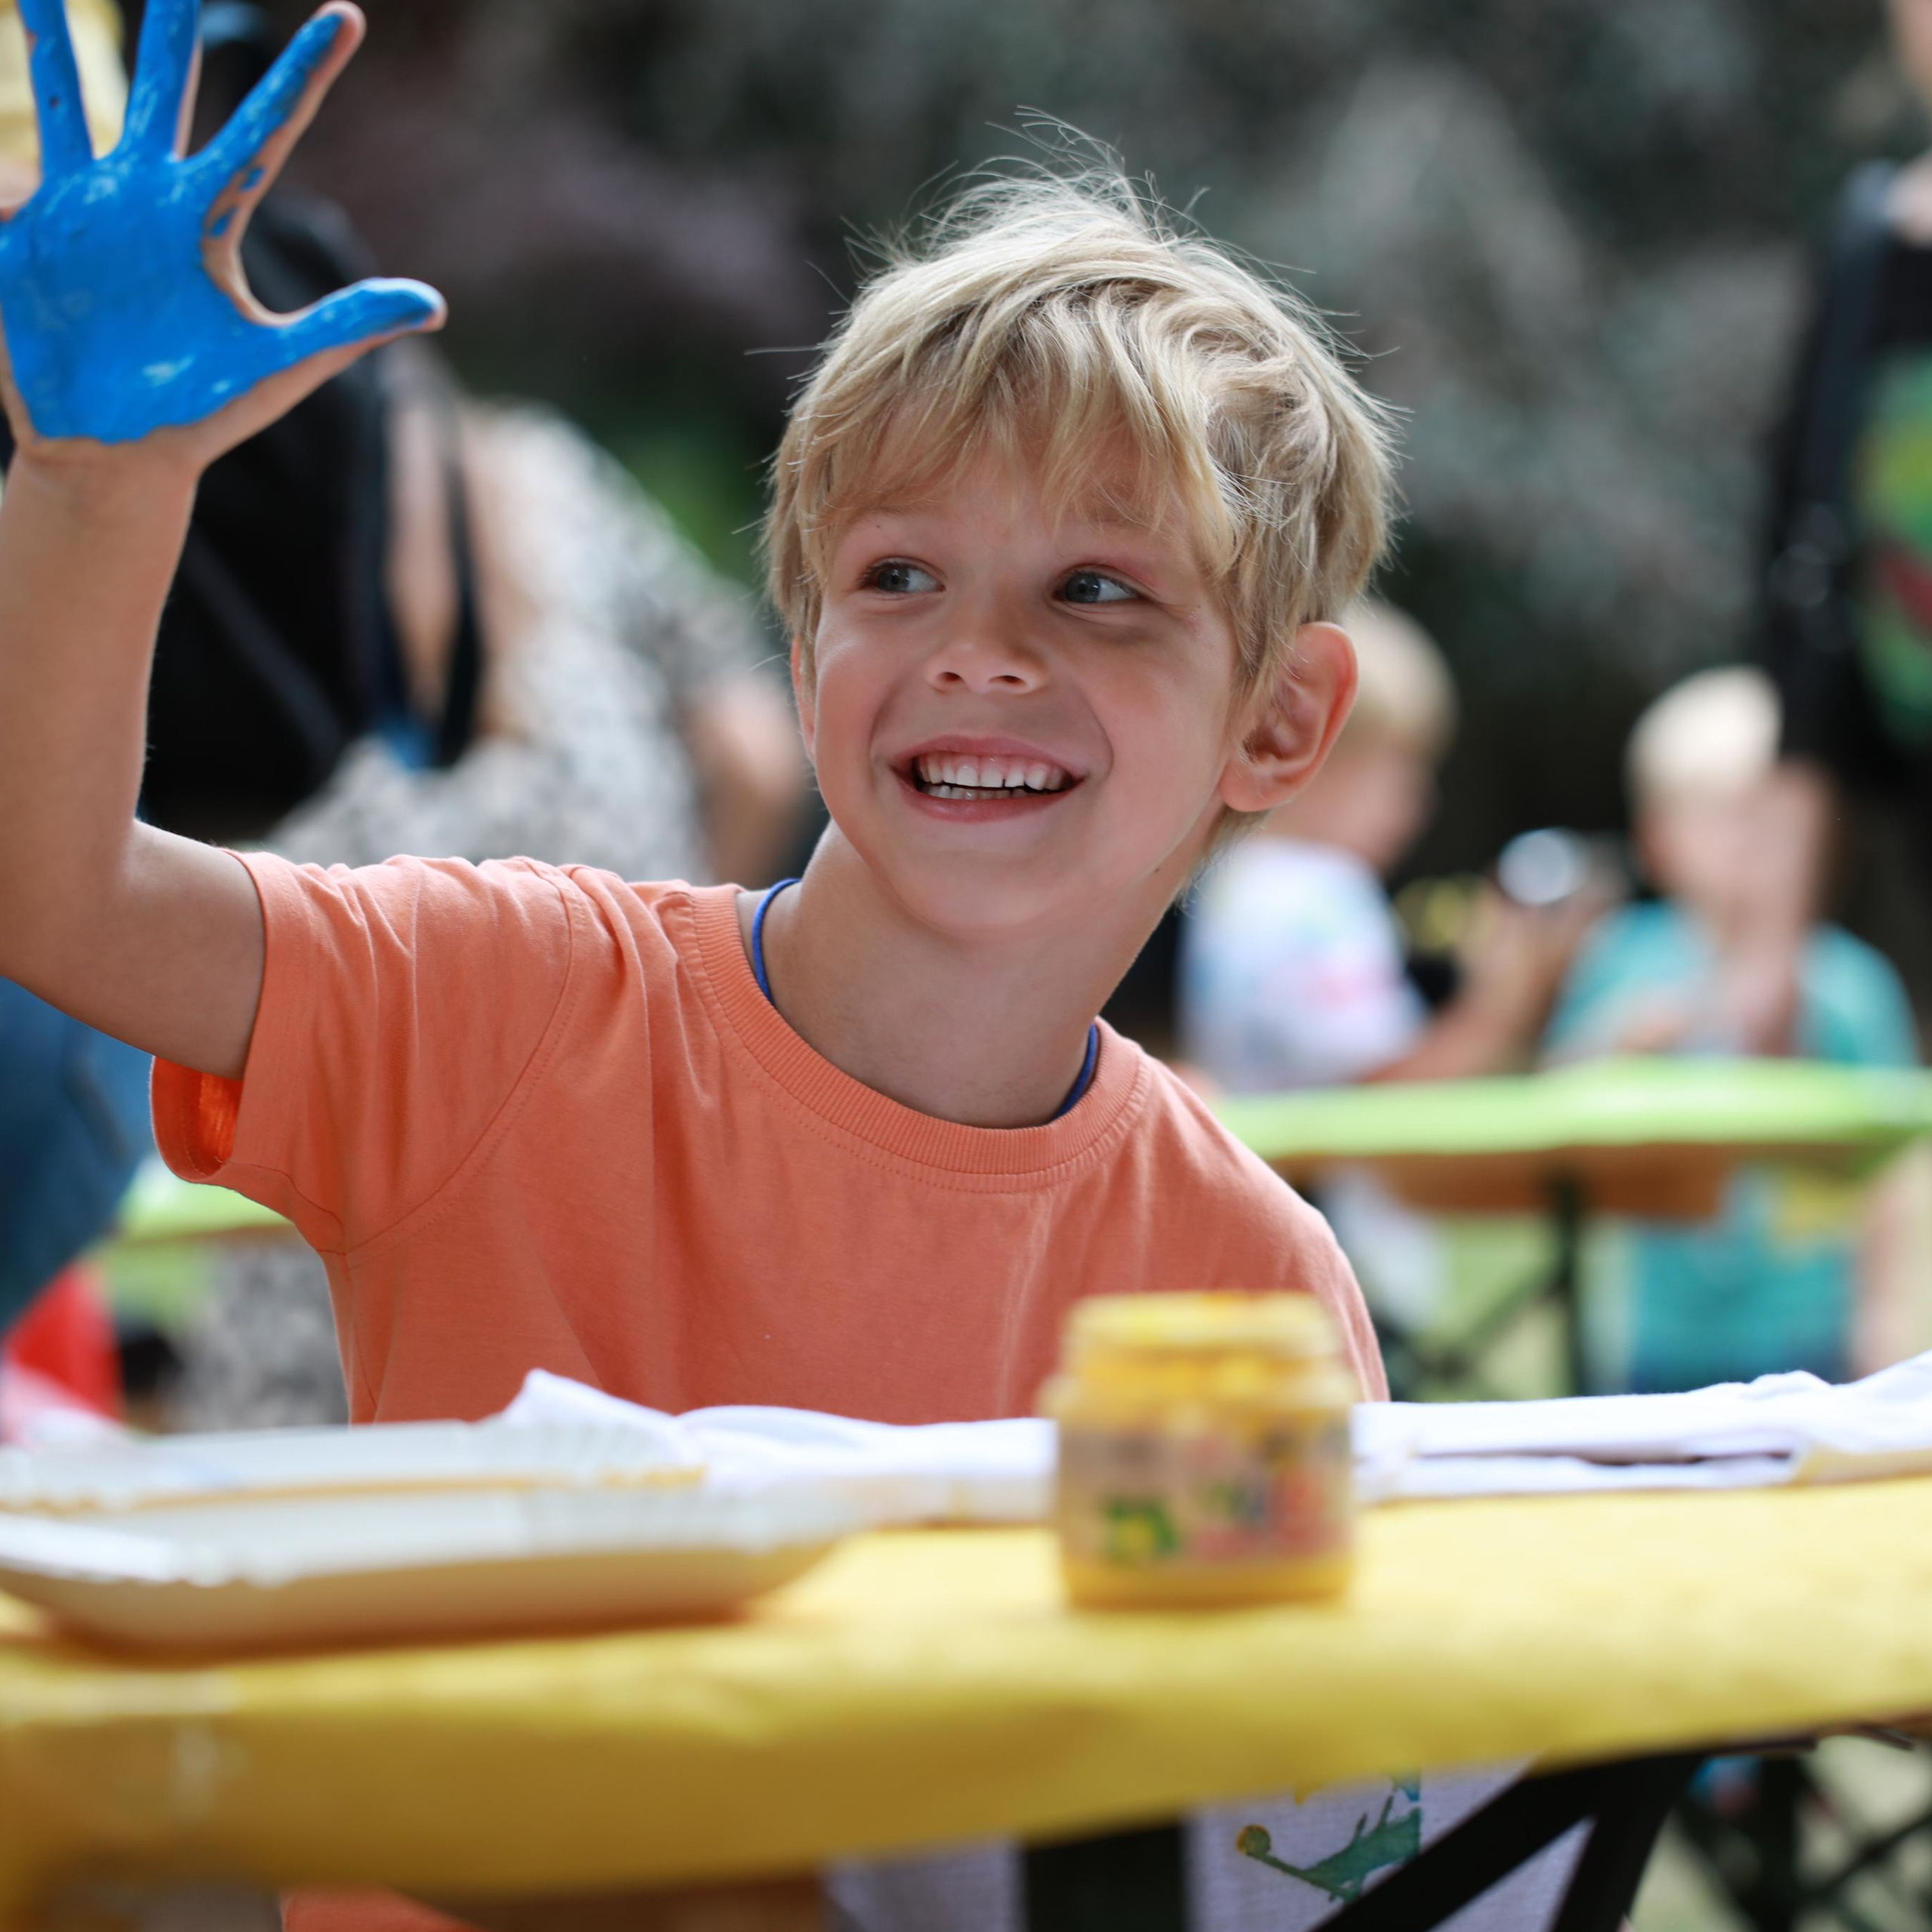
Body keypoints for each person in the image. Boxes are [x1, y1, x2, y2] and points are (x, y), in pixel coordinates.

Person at [0, 6, 1405, 1924]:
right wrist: (98, 496)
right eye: (896, 575)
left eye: (1098, 588)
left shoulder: (1241, 1281)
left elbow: (1279, 1817)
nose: (979, 651)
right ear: (799, 640)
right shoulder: (500, 996)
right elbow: (52, 892)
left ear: (1278, 719)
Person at [1544, 666, 1921, 1392]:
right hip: (1663, 1340)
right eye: (1718, 813)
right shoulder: (1625, 960)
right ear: (1657, 838)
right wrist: (1620, 1045)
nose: (1746, 841)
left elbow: (1888, 1166)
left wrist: (1883, 1311)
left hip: (1813, 1334)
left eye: (1766, 819)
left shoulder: (1847, 984)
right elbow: (1555, 1104)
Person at [1180, 598, 1593, 1097]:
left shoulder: (1235, 881)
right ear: (1307, 752)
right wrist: (1501, 1005)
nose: (1419, 803)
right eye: (1399, 770)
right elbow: (1385, 1097)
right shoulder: (1318, 892)